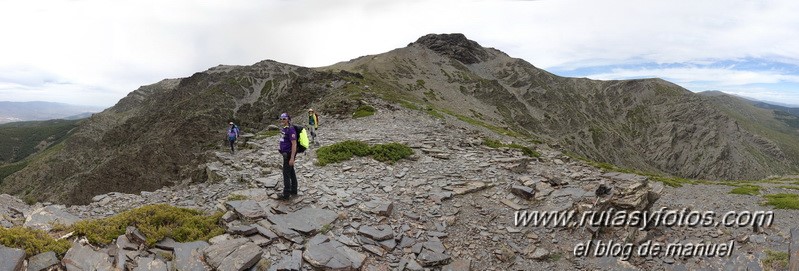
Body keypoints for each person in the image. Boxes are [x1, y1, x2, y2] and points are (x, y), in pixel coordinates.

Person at [277, 113, 298, 199]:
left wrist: (292, 158)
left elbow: (294, 144)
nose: (282, 120)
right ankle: (294, 190)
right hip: (285, 153)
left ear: (288, 119)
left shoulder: (291, 129)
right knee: (291, 171)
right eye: (281, 119)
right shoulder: (284, 129)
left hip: (289, 154)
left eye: (284, 119)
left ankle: (286, 194)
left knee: (286, 173)